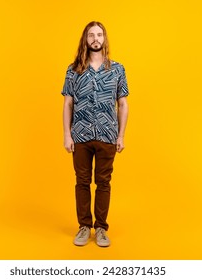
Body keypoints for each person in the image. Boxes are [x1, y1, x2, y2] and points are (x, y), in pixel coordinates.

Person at [61, 21, 129, 247]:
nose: (95, 39)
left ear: (104, 38)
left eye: (99, 34)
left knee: (103, 182)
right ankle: (83, 226)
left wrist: (121, 135)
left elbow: (123, 104)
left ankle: (100, 228)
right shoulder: (73, 70)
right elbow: (68, 104)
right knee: (81, 181)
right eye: (91, 35)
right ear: (85, 39)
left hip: (108, 134)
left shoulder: (117, 69)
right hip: (80, 135)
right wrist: (67, 135)